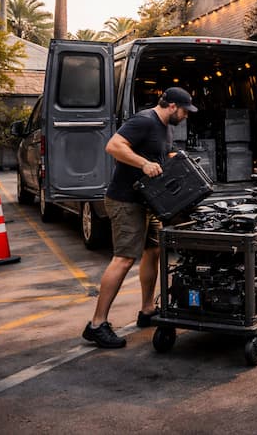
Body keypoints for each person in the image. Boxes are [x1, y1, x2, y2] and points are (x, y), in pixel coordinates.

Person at [82, 87, 198, 348]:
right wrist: (143, 164)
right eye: (184, 111)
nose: (186, 116)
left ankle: (147, 310)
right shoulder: (144, 120)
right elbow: (113, 146)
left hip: (148, 201)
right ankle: (97, 324)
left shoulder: (165, 127)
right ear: (172, 106)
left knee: (153, 250)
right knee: (123, 259)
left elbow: (161, 154)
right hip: (126, 200)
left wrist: (178, 160)